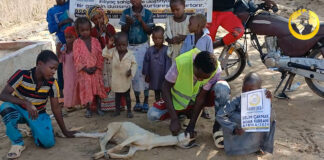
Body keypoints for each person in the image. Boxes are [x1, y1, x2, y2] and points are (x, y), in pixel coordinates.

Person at [0, 50, 76, 159]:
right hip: (19, 111)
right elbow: (3, 95)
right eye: (51, 68)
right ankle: (17, 143)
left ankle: (34, 129)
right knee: (5, 108)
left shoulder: (52, 83)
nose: (54, 71)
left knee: (48, 143)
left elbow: (56, 109)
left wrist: (65, 131)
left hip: (37, 114)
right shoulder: (21, 75)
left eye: (55, 69)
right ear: (40, 64)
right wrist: (26, 103)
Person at [147, 50, 224, 139]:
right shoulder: (182, 63)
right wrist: (174, 119)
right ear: (194, 65)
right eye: (198, 76)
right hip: (176, 101)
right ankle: (179, 115)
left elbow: (201, 98)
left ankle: (215, 126)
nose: (200, 80)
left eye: (204, 78)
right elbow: (165, 87)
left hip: (194, 101)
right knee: (152, 114)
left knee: (222, 88)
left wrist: (191, 126)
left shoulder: (215, 70)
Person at [216, 72, 276, 155]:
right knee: (236, 117)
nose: (247, 93)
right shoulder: (238, 100)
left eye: (251, 90)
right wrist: (233, 128)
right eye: (244, 90)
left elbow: (270, 115)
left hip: (255, 135)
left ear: (260, 89)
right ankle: (237, 148)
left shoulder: (264, 98)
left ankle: (258, 146)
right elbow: (220, 115)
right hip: (240, 134)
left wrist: (268, 102)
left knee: (269, 117)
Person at [120, 0, 154, 113]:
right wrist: (128, 23)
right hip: (130, 48)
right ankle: (138, 101)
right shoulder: (126, 12)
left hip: (143, 47)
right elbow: (123, 32)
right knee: (134, 75)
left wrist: (141, 21)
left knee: (144, 74)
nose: (135, 1)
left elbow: (149, 31)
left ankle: (145, 101)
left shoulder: (148, 13)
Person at [180, 14, 214, 119]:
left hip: (202, 71)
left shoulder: (207, 39)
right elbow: (182, 53)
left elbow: (210, 55)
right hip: (190, 70)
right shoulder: (188, 38)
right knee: (190, 90)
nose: (188, 26)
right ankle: (188, 109)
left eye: (190, 24)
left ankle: (204, 109)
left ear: (198, 26)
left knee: (202, 90)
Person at [73, 17, 106, 118]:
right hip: (84, 72)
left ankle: (99, 108)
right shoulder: (77, 43)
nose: (85, 32)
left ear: (90, 29)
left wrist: (97, 67)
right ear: (78, 30)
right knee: (86, 91)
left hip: (96, 71)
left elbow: (100, 54)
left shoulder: (95, 41)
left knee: (97, 90)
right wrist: (85, 68)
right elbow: (76, 58)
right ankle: (88, 109)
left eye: (87, 30)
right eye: (82, 30)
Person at [209, 0, 276, 48]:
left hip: (227, 13)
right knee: (205, 40)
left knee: (239, 31)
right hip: (208, 13)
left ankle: (214, 46)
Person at [102, 32, 137, 118]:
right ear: (115, 44)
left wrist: (131, 71)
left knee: (127, 97)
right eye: (118, 45)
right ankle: (117, 110)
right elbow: (104, 54)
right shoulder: (113, 52)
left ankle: (129, 110)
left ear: (127, 44)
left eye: (124, 45)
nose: (121, 47)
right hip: (116, 80)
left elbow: (134, 64)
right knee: (117, 97)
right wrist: (109, 45)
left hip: (126, 80)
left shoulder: (130, 54)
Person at [47, 0, 73, 97]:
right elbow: (51, 29)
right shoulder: (51, 11)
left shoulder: (71, 4)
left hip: (75, 42)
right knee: (62, 66)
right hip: (62, 43)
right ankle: (62, 93)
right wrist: (62, 23)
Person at [143, 26, 171, 102]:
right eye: (155, 38)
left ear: (164, 38)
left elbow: (168, 63)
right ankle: (158, 105)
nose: (157, 40)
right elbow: (146, 62)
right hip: (154, 76)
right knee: (156, 92)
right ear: (152, 38)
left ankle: (165, 106)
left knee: (165, 93)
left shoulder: (167, 50)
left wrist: (167, 76)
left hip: (164, 77)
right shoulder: (149, 50)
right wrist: (147, 74)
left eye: (160, 38)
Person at [57, 26, 80, 111]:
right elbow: (60, 60)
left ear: (75, 36)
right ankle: (70, 104)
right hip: (67, 72)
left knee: (77, 86)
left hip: (77, 72)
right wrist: (60, 52)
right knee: (68, 87)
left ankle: (79, 103)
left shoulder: (78, 46)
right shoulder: (64, 47)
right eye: (66, 37)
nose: (68, 39)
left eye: (71, 37)